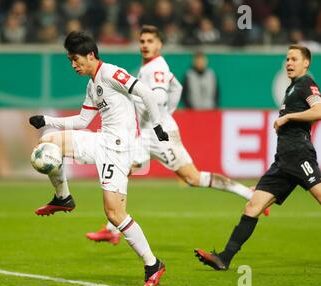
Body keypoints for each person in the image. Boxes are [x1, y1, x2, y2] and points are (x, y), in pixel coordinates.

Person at [85, 25, 267, 245]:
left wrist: (152, 109)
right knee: (122, 168)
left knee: (193, 178)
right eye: (142, 41)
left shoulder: (156, 68)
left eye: (150, 41)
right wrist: (166, 113)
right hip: (147, 135)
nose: (145, 45)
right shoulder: (150, 67)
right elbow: (177, 87)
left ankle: (250, 195)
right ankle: (112, 228)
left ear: (159, 44)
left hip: (161, 136)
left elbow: (159, 97)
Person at [28, 31, 168, 286]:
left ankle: (152, 264)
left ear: (90, 55)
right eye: (70, 60)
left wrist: (158, 126)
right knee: (48, 140)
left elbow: (146, 93)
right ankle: (63, 198)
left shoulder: (111, 73)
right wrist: (47, 120)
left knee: (115, 214)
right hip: (101, 140)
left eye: (75, 59)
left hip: (118, 149)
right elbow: (83, 121)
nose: (72, 65)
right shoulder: (93, 84)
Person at [195, 45, 321, 271]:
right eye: (287, 59)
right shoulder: (292, 88)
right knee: (252, 206)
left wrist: (288, 117)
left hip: (300, 156)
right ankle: (224, 258)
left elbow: (319, 110)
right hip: (283, 162)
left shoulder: (306, 84)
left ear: (306, 63)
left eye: (294, 59)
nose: (289, 63)